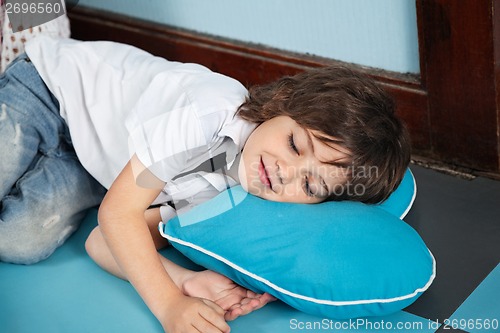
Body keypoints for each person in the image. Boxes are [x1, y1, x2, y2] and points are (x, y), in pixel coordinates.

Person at [0, 36, 410, 333]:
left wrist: (185, 281)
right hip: (48, 88)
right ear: (284, 105)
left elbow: (103, 241)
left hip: (90, 162)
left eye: (311, 186)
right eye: (293, 144)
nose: (286, 170)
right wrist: (168, 305)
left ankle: (54, 161)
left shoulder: (227, 190)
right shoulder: (207, 114)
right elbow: (117, 214)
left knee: (18, 242)